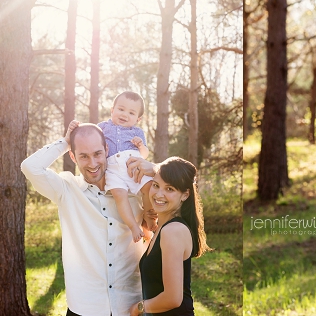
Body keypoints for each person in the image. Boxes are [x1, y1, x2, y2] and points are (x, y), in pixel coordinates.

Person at [21, 123, 148, 316]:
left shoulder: (134, 188)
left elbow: (175, 192)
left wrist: (152, 168)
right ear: (72, 156)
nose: (92, 163)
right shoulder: (66, 189)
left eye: (97, 153)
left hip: (130, 306)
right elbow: (30, 167)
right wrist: (65, 142)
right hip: (85, 308)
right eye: (83, 156)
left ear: (106, 149)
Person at [128, 156, 210, 316]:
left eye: (170, 189)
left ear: (185, 195)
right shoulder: (163, 228)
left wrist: (139, 307)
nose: (159, 194)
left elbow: (173, 298)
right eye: (156, 185)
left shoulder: (173, 230)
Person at [73, 91, 156, 243]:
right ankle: (134, 227)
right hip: (112, 168)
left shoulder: (137, 132)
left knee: (148, 188)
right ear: (112, 110)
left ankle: (149, 217)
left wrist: (140, 145)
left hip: (133, 166)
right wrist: (76, 127)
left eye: (131, 112)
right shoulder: (103, 127)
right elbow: (87, 135)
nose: (124, 114)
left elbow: (144, 154)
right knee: (119, 196)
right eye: (121, 109)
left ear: (138, 119)